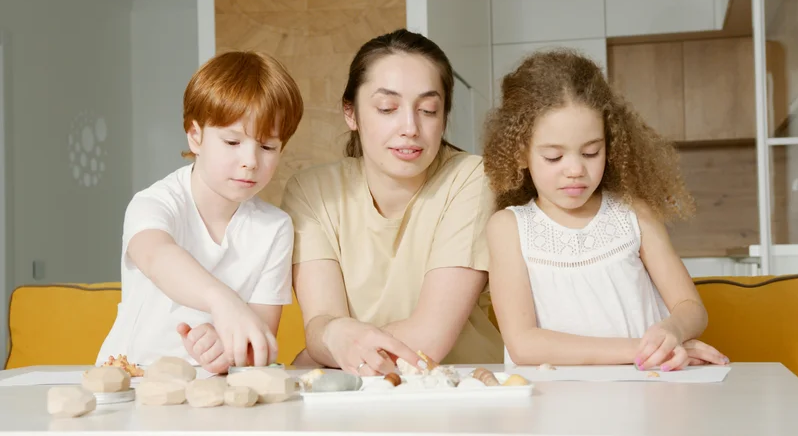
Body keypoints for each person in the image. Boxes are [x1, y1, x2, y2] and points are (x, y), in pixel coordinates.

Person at [483, 49, 729, 371]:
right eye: (554, 157)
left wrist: (673, 330)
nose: (575, 170)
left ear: (610, 146)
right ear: (519, 155)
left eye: (590, 152)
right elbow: (524, 345)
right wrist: (644, 350)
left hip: (646, 391)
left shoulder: (632, 213)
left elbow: (690, 307)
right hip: (557, 405)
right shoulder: (508, 227)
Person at [280, 29, 504, 376]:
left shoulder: (472, 179)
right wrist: (325, 338)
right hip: (356, 398)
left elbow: (429, 338)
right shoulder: (311, 191)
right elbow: (322, 321)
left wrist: (323, 351)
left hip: (462, 390)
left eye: (428, 110)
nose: (410, 127)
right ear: (350, 113)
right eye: (388, 108)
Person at [96, 51, 304, 373]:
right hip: (132, 377)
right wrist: (224, 302)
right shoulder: (155, 202)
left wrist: (225, 347)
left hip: (214, 389)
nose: (250, 161)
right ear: (195, 136)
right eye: (232, 142)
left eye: (267, 147)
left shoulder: (275, 228)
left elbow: (258, 341)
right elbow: (156, 255)